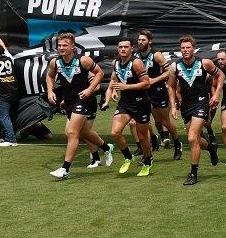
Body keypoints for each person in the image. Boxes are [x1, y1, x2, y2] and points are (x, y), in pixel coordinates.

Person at [46, 32, 113, 179]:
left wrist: (90, 90)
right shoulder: (55, 62)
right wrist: (50, 91)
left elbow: (99, 73)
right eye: (59, 45)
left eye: (65, 45)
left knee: (72, 132)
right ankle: (106, 147)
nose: (61, 48)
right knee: (83, 132)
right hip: (68, 101)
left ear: (73, 47)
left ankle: (65, 169)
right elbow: (50, 76)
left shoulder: (83, 60)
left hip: (84, 100)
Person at [168, 35, 222, 185]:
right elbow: (171, 87)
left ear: (193, 48)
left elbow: (221, 75)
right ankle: (211, 148)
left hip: (201, 103)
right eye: (183, 48)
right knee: (196, 139)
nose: (185, 50)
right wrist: (173, 106)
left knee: (192, 138)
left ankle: (193, 173)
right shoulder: (175, 66)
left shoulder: (204, 63)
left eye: (188, 47)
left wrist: (216, 94)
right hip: (186, 105)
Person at [104, 37, 153, 176]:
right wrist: (110, 95)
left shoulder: (136, 63)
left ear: (132, 48)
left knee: (143, 137)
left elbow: (147, 83)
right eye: (120, 47)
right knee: (115, 132)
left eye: (126, 47)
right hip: (125, 103)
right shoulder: (115, 63)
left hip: (141, 103)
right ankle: (128, 157)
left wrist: (126, 86)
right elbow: (113, 81)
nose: (123, 49)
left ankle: (148, 161)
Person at [136, 29, 182, 159]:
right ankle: (150, 147)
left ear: (150, 41)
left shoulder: (156, 55)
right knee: (141, 120)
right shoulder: (136, 55)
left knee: (163, 121)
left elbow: (170, 72)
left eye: (143, 40)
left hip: (157, 91)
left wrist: (154, 80)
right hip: (142, 91)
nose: (140, 42)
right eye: (139, 40)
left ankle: (178, 144)